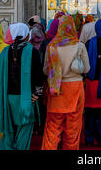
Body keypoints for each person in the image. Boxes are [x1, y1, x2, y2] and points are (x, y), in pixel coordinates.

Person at [42, 15, 90, 150]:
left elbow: (46, 70)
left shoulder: (51, 46)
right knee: (73, 128)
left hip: (56, 89)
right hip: (75, 88)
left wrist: (56, 72)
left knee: (52, 127)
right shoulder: (79, 46)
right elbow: (86, 68)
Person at [0, 23, 44, 150]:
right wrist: (37, 93)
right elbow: (38, 75)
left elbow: (1, 77)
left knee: (9, 130)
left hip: (8, 98)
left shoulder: (4, 52)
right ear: (26, 35)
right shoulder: (32, 51)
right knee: (24, 129)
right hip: (26, 98)